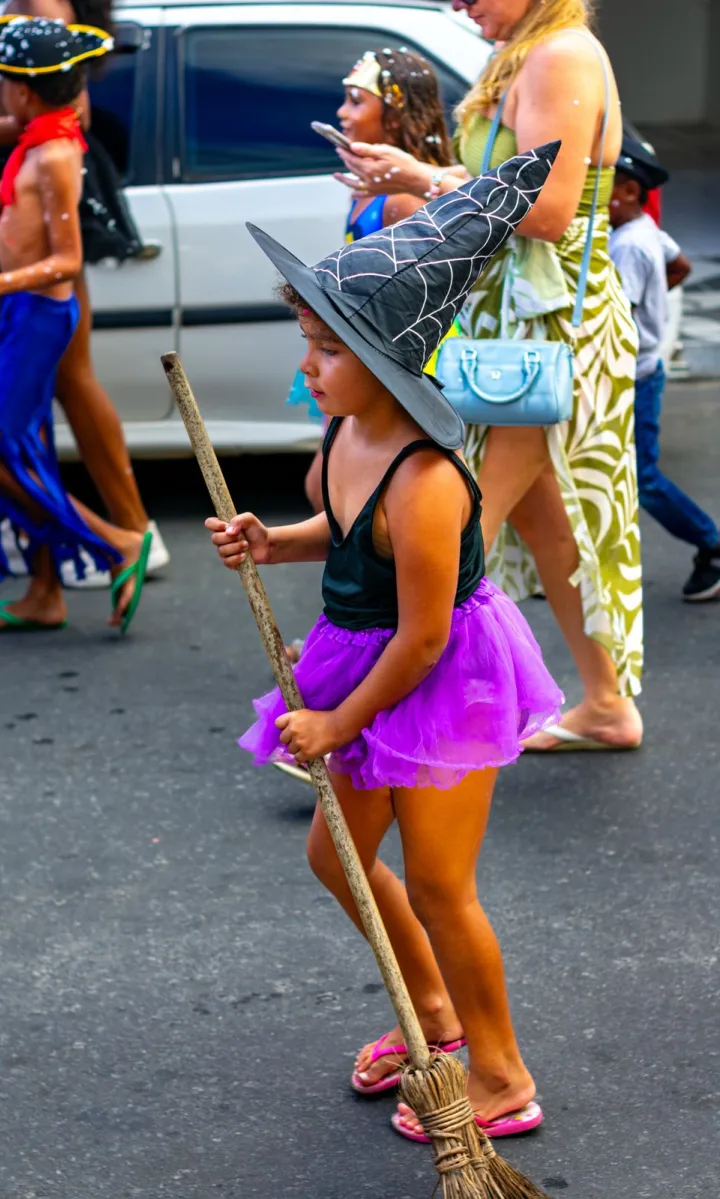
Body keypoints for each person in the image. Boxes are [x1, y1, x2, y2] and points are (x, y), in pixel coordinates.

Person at [208, 145, 563, 1139]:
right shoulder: (345, 437)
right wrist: (272, 540)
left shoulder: (424, 476)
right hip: (366, 657)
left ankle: (499, 1072)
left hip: (436, 669)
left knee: (443, 884)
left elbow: (422, 632)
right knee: (341, 859)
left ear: (384, 360)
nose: (304, 366)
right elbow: (341, 529)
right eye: (306, 342)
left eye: (323, 351)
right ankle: (433, 1016)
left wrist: (334, 720)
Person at [333, 0, 645, 753]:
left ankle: (383, 720)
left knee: (452, 524)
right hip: (518, 328)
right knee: (543, 521)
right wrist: (418, 173)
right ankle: (605, 705)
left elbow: (547, 207)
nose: (459, 4)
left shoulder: (558, 55)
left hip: (546, 332)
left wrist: (423, 179)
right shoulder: (533, 49)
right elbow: (505, 184)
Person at [0, 0, 169, 589]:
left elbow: (66, 257)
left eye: (4, 84)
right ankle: (45, 577)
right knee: (11, 443)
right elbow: (9, 200)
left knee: (7, 448)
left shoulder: (52, 147)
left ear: (24, 93)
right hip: (23, 301)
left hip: (36, 307)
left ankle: (119, 541)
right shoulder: (35, 142)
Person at [288, 47, 456, 517]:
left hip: (388, 367)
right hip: (356, 356)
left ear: (396, 117)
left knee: (341, 490)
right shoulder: (372, 191)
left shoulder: (402, 201)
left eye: (356, 101)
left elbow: (428, 289)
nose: (342, 112)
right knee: (329, 486)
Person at [609, 137, 720, 602]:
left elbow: (615, 316)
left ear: (631, 190)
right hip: (645, 368)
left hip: (633, 376)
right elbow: (682, 265)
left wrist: (643, 318)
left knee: (644, 480)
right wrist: (657, 305)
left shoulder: (628, 247)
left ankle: (711, 545)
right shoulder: (648, 232)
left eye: (603, 186)